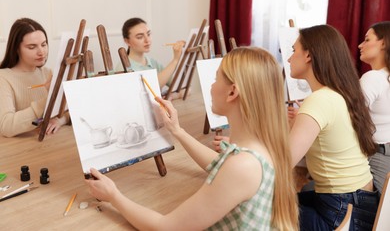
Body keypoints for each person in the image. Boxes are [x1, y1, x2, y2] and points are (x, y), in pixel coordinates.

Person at [85, 47, 299, 230]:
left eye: (216, 79)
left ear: (233, 92)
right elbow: (218, 165)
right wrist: (177, 130)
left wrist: (114, 196)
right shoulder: (264, 146)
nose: (211, 86)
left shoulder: (242, 166)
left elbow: (165, 227)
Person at [288, 24, 378, 230]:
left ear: (309, 55)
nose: (289, 58)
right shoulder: (340, 93)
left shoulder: (319, 100)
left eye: (294, 51)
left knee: (267, 209)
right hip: (361, 203)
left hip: (341, 211)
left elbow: (283, 161)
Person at [0, 18, 69, 137]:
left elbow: (69, 110)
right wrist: (48, 100)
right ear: (16, 49)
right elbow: (6, 126)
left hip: (49, 143)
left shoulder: (48, 73)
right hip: (20, 149)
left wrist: (59, 120)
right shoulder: (3, 77)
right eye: (32, 47)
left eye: (44, 44)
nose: (41, 52)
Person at [359, 21, 390, 195]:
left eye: (366, 39)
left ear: (383, 43)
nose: (360, 45)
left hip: (376, 158)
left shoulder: (373, 78)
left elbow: (345, 117)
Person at [119, 17, 185, 93]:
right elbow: (151, 89)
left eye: (148, 34)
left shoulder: (153, 62)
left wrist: (174, 95)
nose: (147, 40)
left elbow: (183, 88)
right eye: (140, 37)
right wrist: (175, 60)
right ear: (127, 41)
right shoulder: (123, 68)